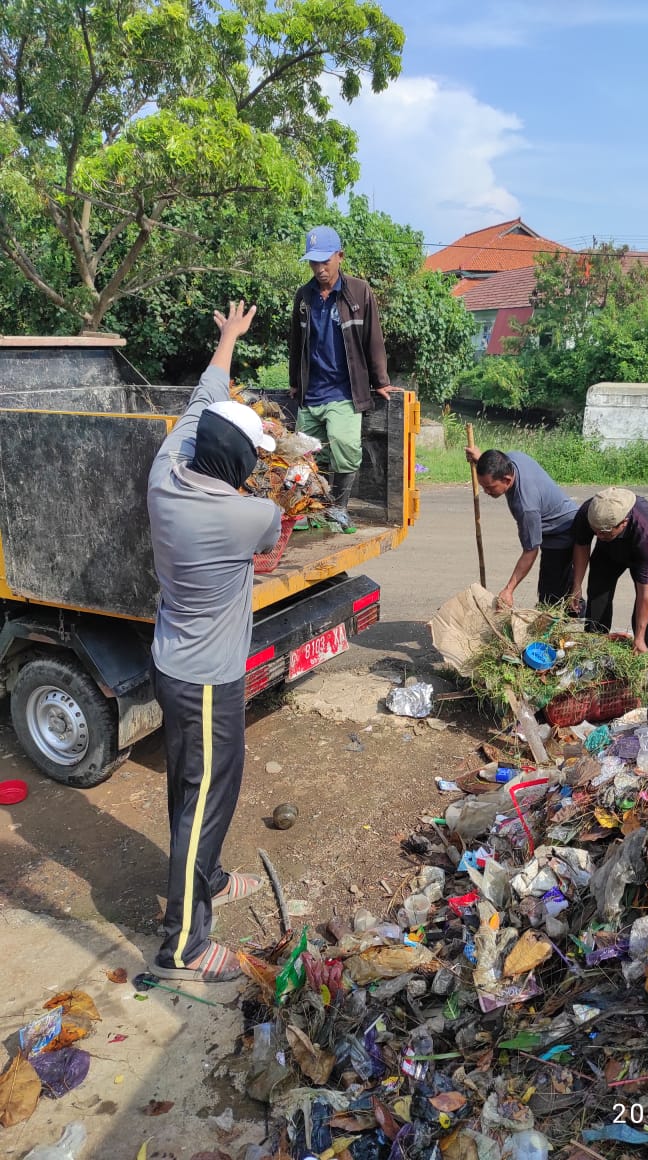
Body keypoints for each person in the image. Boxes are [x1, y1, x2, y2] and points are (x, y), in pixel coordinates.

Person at [147, 301, 282, 983]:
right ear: (238, 467)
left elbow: (206, 397)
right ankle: (184, 948)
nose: (258, 471)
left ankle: (214, 875)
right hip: (207, 680)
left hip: (172, 660)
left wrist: (228, 339)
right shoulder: (251, 514)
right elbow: (270, 550)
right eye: (253, 462)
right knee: (207, 797)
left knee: (190, 791)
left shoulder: (167, 470)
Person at [289, 225, 399, 524]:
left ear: (340, 256)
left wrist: (381, 382)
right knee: (303, 454)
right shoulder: (304, 297)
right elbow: (296, 344)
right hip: (312, 392)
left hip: (345, 391)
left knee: (345, 445)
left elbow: (373, 339)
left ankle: (339, 506)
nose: (320, 268)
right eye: (314, 262)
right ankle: (306, 512)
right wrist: (295, 383)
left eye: (325, 261)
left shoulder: (359, 291)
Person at [466, 447, 578, 607]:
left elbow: (531, 550)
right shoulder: (512, 459)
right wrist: (481, 458)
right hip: (550, 515)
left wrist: (509, 589)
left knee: (552, 597)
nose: (486, 491)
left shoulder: (526, 506)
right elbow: (495, 462)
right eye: (483, 486)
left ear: (507, 479)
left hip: (561, 530)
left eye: (490, 487)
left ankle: (580, 619)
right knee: (557, 591)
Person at [569, 487, 648, 655]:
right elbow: (582, 545)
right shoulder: (590, 512)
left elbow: (644, 595)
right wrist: (577, 585)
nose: (599, 536)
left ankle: (646, 653)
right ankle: (594, 649)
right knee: (597, 591)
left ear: (623, 522)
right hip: (609, 549)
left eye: (604, 533)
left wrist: (638, 637)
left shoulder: (646, 534)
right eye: (596, 532)